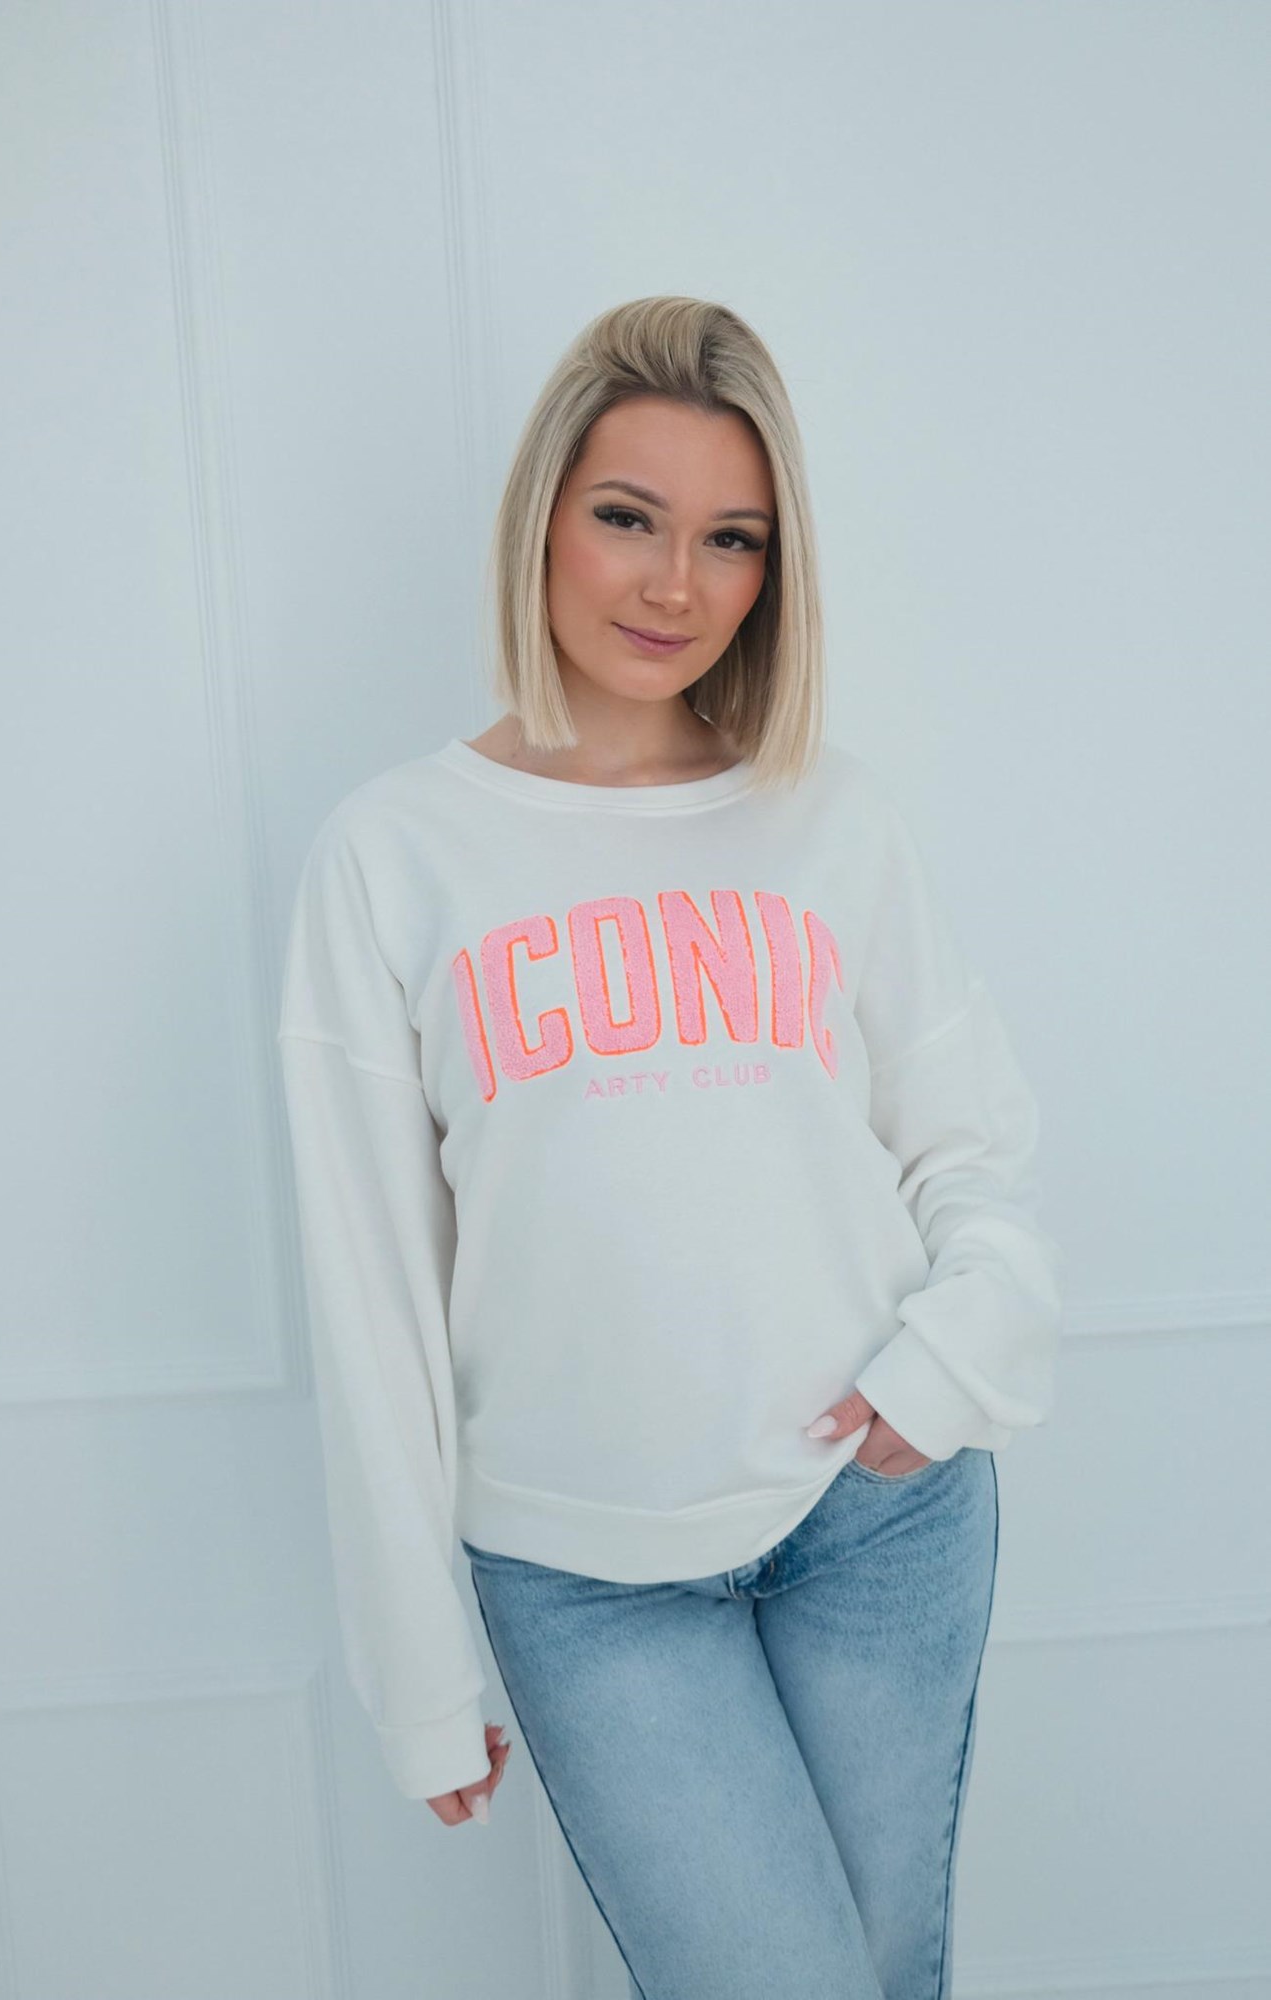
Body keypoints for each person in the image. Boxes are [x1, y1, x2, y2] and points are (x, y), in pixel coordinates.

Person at [276, 294, 1063, 2000]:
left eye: (731, 539)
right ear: (542, 518)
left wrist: (949, 1364)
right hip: (588, 1576)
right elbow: (369, 1292)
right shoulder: (393, 854)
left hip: (878, 1516)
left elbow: (971, 1148)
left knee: (886, 1975)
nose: (673, 586)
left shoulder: (829, 819)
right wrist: (419, 1673)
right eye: (627, 518)